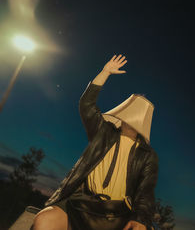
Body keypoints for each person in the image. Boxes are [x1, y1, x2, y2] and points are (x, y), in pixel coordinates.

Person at [32, 54, 159, 230]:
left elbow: (145, 191)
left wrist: (140, 219)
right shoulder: (103, 131)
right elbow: (86, 105)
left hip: (117, 213)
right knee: (45, 220)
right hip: (81, 203)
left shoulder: (147, 155)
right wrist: (105, 72)